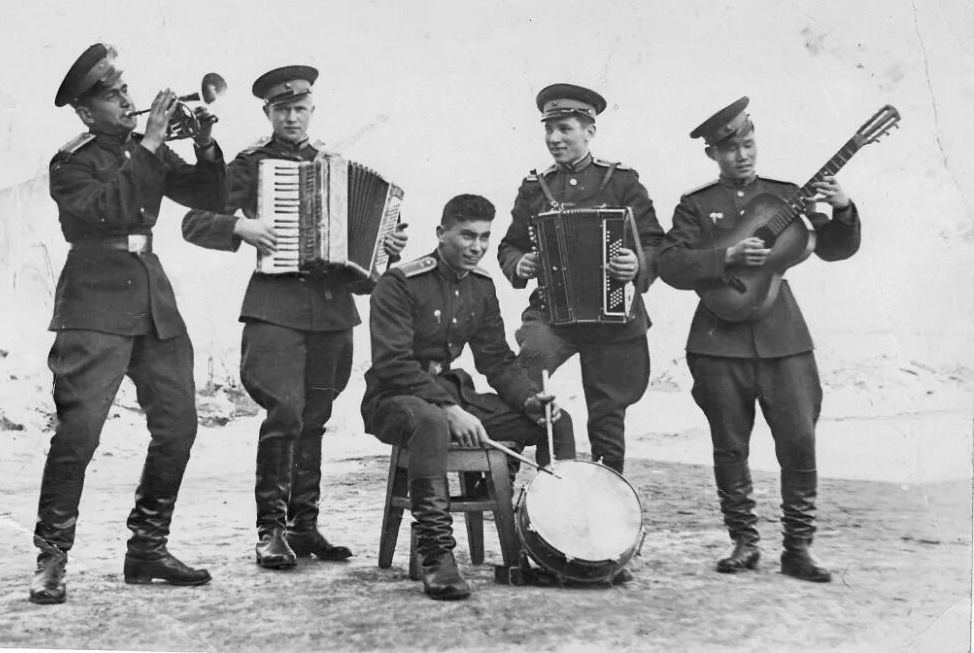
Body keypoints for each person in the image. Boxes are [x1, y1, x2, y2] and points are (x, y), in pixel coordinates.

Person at [181, 65, 408, 570]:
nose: (291, 116)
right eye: (281, 109)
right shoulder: (249, 165)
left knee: (316, 418)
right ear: (267, 112)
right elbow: (194, 221)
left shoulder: (336, 164)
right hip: (275, 309)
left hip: (331, 312)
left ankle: (305, 527)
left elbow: (367, 259)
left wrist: (385, 248)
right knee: (284, 414)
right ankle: (271, 530)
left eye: (299, 108)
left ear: (311, 109)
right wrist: (242, 226)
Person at [29, 43, 225, 604]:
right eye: (113, 96)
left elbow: (209, 196)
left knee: (179, 425)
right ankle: (51, 557)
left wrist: (205, 144)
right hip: (94, 303)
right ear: (86, 111)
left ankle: (147, 549)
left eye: (124, 89)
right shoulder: (73, 160)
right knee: (78, 433)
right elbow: (105, 210)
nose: (128, 100)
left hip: (151, 300)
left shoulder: (144, 149)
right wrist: (152, 143)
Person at [658, 97, 861, 583]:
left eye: (748, 145)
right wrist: (725, 256)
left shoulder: (787, 196)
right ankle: (744, 542)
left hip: (783, 339)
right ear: (713, 154)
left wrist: (843, 207)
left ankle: (799, 548)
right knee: (729, 446)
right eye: (730, 150)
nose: (742, 156)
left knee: (799, 441)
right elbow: (670, 263)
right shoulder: (696, 206)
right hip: (716, 341)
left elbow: (835, 249)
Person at [362, 194, 575, 601]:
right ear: (441, 233)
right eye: (466, 235)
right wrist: (449, 408)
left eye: (484, 237)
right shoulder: (400, 282)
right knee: (431, 422)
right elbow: (392, 363)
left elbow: (496, 360)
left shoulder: (481, 286)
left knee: (555, 421)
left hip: (448, 395)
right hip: (392, 398)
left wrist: (530, 399)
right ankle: (437, 555)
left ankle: (556, 541)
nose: (476, 247)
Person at [497, 83, 665, 475]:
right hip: (554, 315)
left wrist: (636, 265)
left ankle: (608, 497)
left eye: (565, 128)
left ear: (589, 130)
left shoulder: (622, 182)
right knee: (525, 377)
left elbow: (657, 243)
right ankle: (509, 481)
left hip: (612, 320)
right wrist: (519, 263)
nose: (554, 138)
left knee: (607, 413)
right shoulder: (534, 187)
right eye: (549, 129)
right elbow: (510, 246)